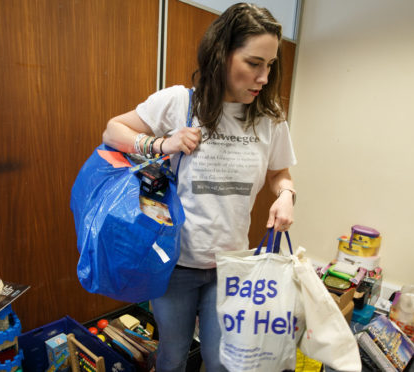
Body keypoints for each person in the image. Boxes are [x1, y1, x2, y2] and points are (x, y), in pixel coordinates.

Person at [102, 3, 296, 371]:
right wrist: (161, 144)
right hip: (176, 265)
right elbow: (113, 131)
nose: (264, 77)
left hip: (232, 265)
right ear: (222, 56)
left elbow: (280, 174)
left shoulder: (270, 119)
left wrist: (286, 194)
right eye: (254, 63)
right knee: (173, 357)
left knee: (222, 362)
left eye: (270, 66)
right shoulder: (179, 102)